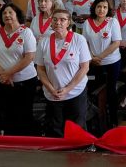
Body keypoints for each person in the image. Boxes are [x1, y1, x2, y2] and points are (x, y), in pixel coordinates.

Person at [35, 9, 90, 137]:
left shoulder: (78, 39)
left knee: (76, 130)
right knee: (55, 129)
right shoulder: (44, 42)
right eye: (55, 19)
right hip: (52, 93)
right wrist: (51, 89)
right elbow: (40, 69)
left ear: (68, 22)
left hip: (75, 92)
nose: (58, 22)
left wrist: (67, 89)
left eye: (62, 20)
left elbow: (84, 68)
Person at [0, 3, 37, 135]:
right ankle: (10, 141)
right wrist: (2, 74)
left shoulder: (26, 32)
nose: (7, 15)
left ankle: (27, 141)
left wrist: (8, 73)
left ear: (17, 15)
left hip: (24, 81)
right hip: (2, 82)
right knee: (6, 114)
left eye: (10, 12)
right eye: (4, 13)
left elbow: (29, 57)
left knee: (24, 113)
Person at [82, 0, 122, 129]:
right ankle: (98, 119)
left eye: (105, 7)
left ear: (108, 9)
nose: (101, 10)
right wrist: (92, 57)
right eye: (99, 6)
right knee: (94, 91)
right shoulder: (88, 23)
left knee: (110, 91)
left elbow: (116, 43)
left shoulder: (112, 22)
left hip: (111, 62)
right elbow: (85, 43)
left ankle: (113, 119)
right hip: (93, 63)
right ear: (94, 7)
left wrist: (99, 57)